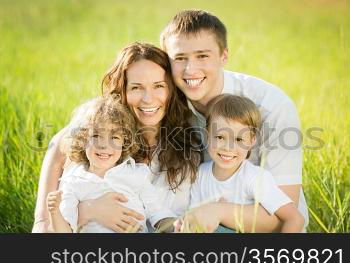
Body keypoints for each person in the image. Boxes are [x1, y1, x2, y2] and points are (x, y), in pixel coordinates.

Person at [160, 10, 309, 232]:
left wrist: (218, 211)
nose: (190, 69)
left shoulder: (270, 105)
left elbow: (288, 216)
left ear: (224, 56)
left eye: (202, 56)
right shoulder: (164, 105)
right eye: (180, 58)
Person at [32, 43, 201, 233]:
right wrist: (88, 210)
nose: (148, 98)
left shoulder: (188, 138)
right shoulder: (100, 134)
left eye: (159, 86)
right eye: (136, 87)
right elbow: (59, 144)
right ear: (122, 90)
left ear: (171, 89)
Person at [47, 97, 175, 233]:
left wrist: (178, 227)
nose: (104, 145)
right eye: (96, 136)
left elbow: (158, 212)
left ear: (124, 142)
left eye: (114, 138)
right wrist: (54, 213)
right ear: (83, 139)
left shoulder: (135, 173)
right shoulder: (74, 181)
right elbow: (64, 231)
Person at [178, 95, 305, 233]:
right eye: (220, 137)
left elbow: (295, 219)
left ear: (252, 141)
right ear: (208, 135)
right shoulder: (200, 174)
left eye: (239, 139)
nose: (228, 148)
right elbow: (195, 220)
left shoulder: (254, 177)